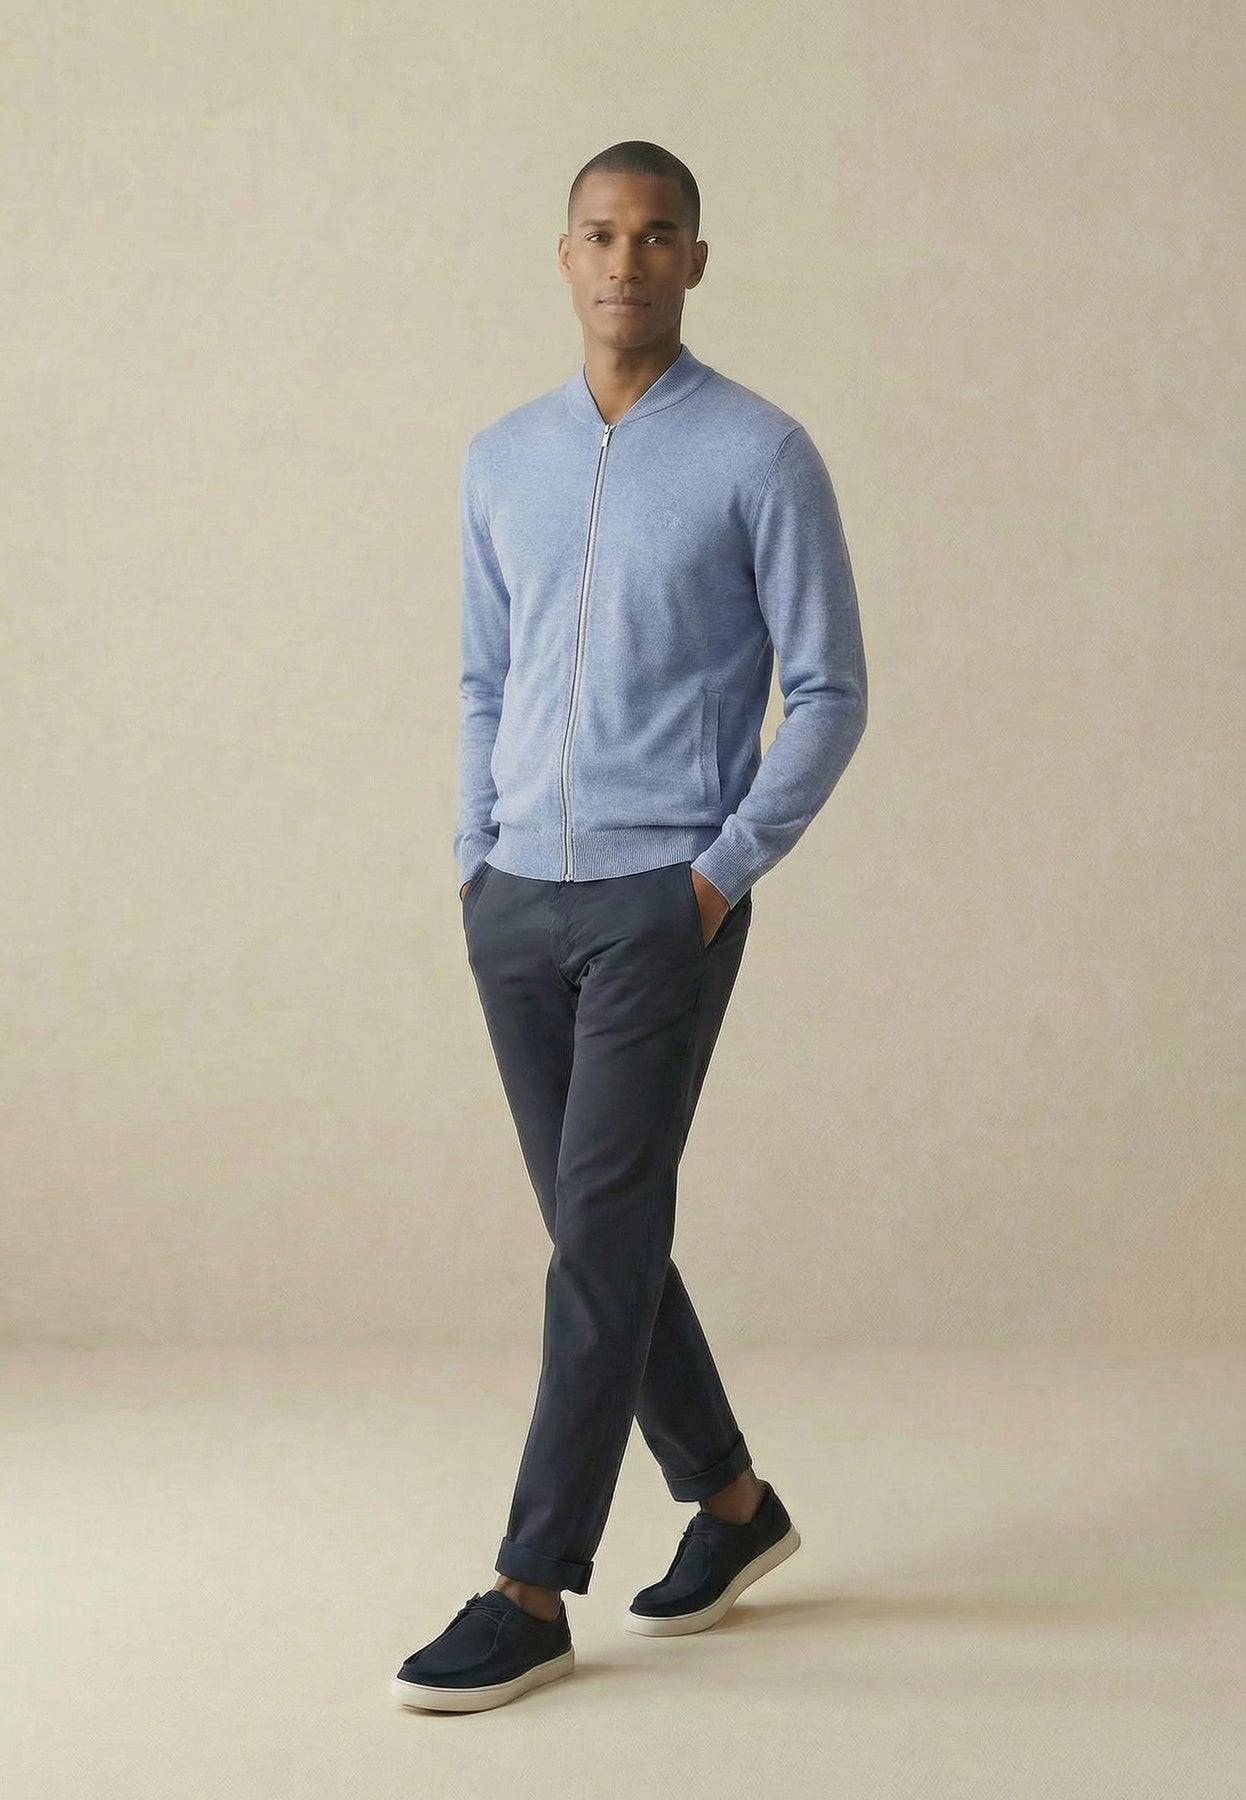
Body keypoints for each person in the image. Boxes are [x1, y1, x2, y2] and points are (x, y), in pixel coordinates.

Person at [393, 139, 868, 1713]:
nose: (625, 261)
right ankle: (731, 1504)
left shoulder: (759, 453)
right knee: (600, 1237)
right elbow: (482, 676)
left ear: (694, 261)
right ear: (564, 255)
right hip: (514, 901)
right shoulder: (500, 458)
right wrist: (473, 858)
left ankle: (529, 1589)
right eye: (599, 234)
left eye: (656, 235)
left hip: (662, 902)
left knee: (598, 1243)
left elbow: (829, 690)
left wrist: (716, 876)